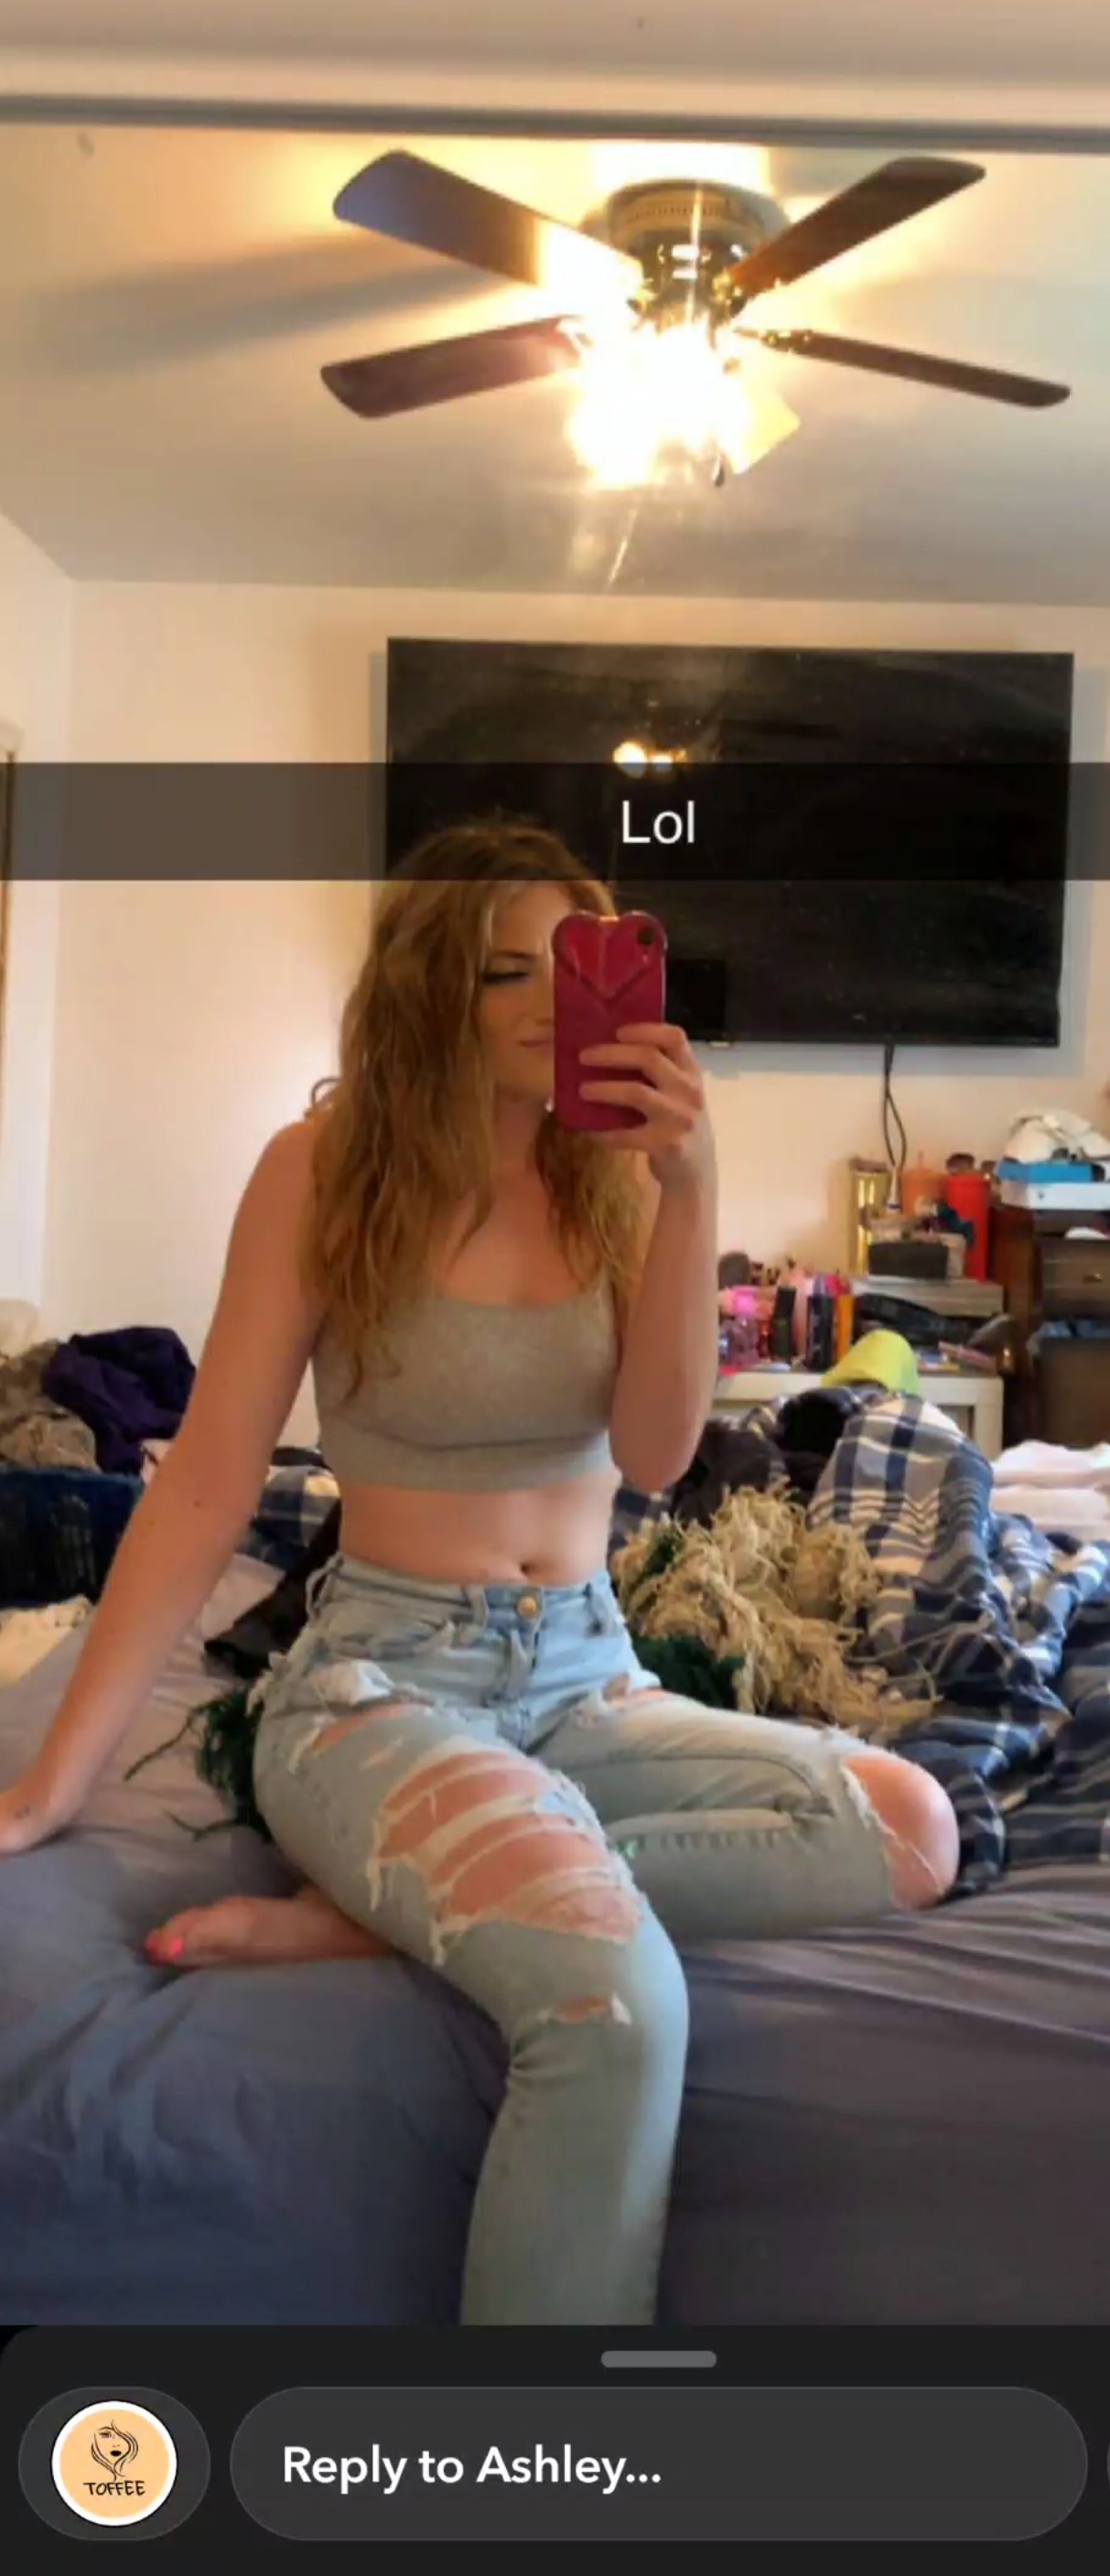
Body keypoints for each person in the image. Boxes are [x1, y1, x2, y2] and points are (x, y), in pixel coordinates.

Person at [0, 820, 960, 2324]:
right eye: (503, 970)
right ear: (428, 985)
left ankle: (381, 1911)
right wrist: (52, 1784)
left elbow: (656, 1454)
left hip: (589, 1674)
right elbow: (203, 1483)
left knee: (909, 1823)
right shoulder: (322, 1172)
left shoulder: (618, 1180)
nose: (544, 1003)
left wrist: (692, 1188)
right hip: (384, 1686)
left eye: (573, 967)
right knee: (616, 2006)